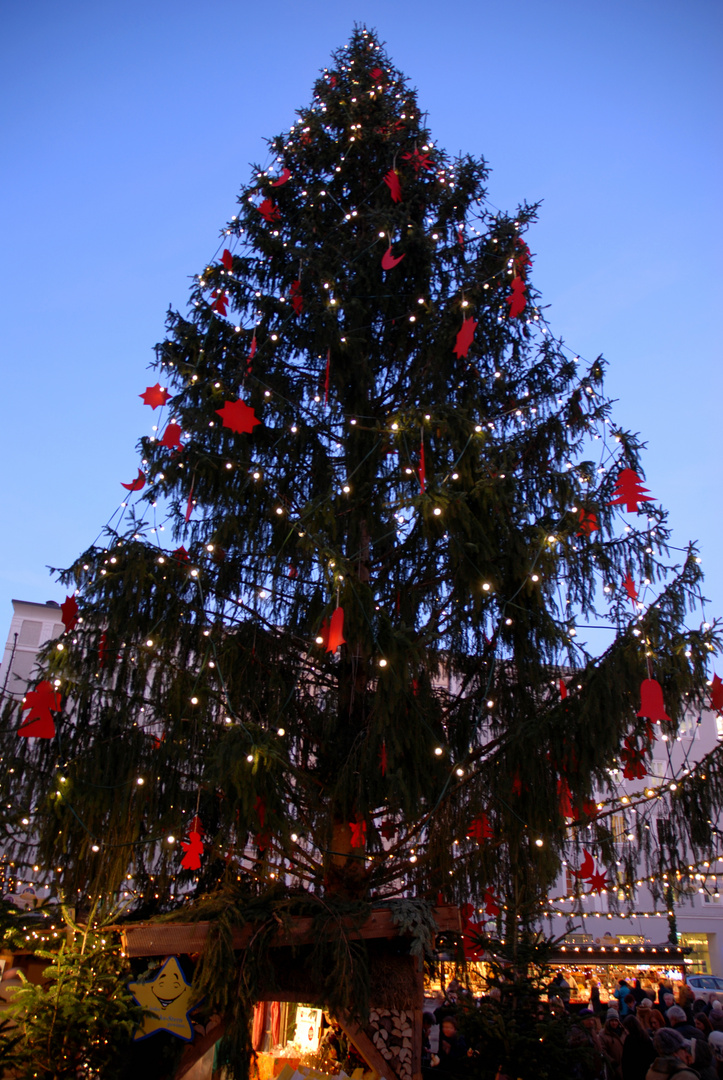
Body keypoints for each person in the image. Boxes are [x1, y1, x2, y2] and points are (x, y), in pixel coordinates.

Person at [621, 1015, 656, 1080]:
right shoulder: (645, 1037)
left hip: (633, 1073)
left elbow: (626, 1061)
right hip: (646, 1072)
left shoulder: (629, 1039)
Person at [599, 1010, 626, 1080]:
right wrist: (611, 1061)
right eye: (612, 1021)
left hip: (625, 1065)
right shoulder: (603, 1034)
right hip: (612, 1067)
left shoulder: (624, 1032)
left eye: (616, 1020)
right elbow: (602, 1050)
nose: (614, 1023)